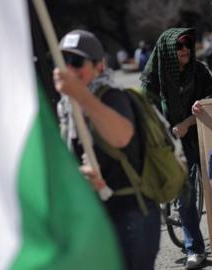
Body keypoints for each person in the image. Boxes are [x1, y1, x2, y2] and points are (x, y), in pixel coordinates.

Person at [54, 29, 161, 270]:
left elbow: (121, 137)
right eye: (63, 62)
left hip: (131, 217)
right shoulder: (67, 108)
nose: (68, 69)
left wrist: (81, 96)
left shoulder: (112, 98)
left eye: (76, 62)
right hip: (98, 219)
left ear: (99, 66)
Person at [140, 28, 212, 269]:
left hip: (197, 137)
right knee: (184, 198)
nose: (184, 49)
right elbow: (146, 112)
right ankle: (195, 248)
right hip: (166, 143)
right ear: (167, 51)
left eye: (188, 44)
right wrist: (166, 130)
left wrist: (188, 121)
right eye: (179, 46)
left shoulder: (200, 71)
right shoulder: (154, 77)